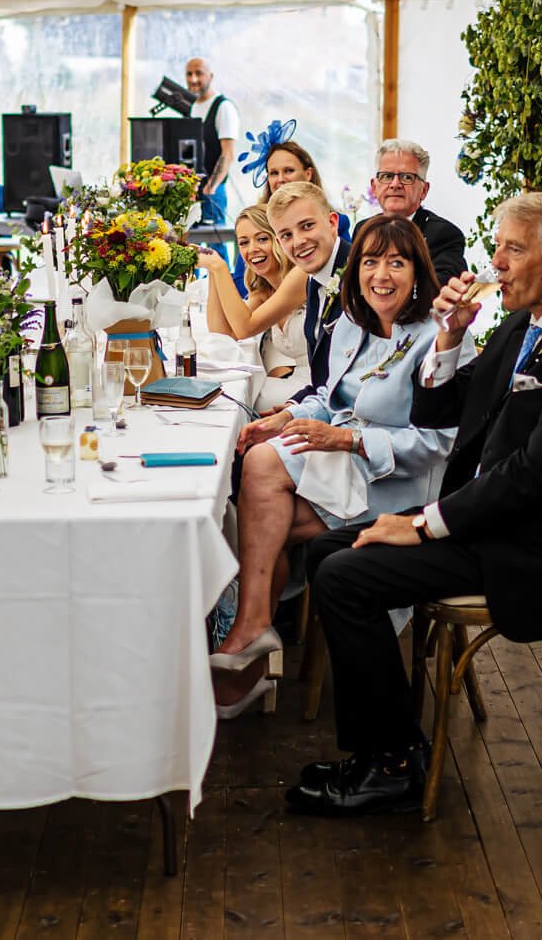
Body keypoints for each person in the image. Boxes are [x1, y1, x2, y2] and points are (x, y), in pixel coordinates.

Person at [288, 193, 542, 816]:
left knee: (346, 575)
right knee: (325, 551)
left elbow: (537, 474)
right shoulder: (520, 321)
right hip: (484, 523)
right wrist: (449, 337)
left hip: (533, 545)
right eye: (499, 247)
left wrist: (424, 525)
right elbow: (442, 411)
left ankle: (391, 766)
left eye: (512, 249)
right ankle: (394, 746)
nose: (496, 262)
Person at [214, 215, 467, 718]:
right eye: (371, 262)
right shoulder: (354, 324)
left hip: (400, 485)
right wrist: (286, 416)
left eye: (397, 263)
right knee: (260, 461)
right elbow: (330, 400)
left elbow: (439, 445)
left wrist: (349, 440)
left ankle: (247, 637)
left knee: (256, 513)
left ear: (418, 271)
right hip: (342, 467)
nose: (381, 275)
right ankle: (254, 632)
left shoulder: (437, 339)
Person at [196, 205, 310, 411]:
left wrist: (220, 269)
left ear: (279, 239)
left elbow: (244, 328)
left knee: (227, 401)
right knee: (221, 396)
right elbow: (224, 333)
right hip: (296, 382)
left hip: (316, 388)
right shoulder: (265, 291)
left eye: (262, 239)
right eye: (244, 243)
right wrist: (213, 271)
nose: (252, 249)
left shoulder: (300, 276)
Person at [267, 181, 351, 398]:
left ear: (332, 223)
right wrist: (292, 409)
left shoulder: (358, 276)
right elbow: (322, 378)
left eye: (307, 226)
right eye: (286, 235)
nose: (299, 241)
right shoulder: (313, 281)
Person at [369, 139, 466, 284]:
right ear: (374, 188)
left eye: (407, 177)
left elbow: (440, 290)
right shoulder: (364, 229)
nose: (395, 184)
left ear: (424, 190)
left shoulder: (444, 235)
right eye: (387, 176)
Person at [185, 57, 240, 255]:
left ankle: (222, 283)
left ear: (211, 76)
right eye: (189, 74)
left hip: (212, 190)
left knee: (216, 242)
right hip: (192, 190)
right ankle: (197, 285)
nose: (193, 79)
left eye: (198, 73)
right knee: (192, 246)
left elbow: (228, 153)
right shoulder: (191, 107)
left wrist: (211, 186)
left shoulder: (223, 107)